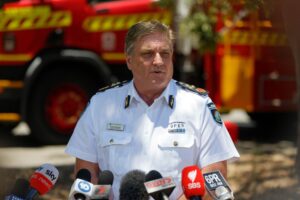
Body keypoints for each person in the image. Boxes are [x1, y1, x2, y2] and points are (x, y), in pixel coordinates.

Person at [65, 20, 240, 200]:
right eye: (148, 54)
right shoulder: (101, 105)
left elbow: (214, 175)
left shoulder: (198, 105)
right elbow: (86, 173)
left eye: (165, 53)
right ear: (129, 60)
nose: (158, 61)